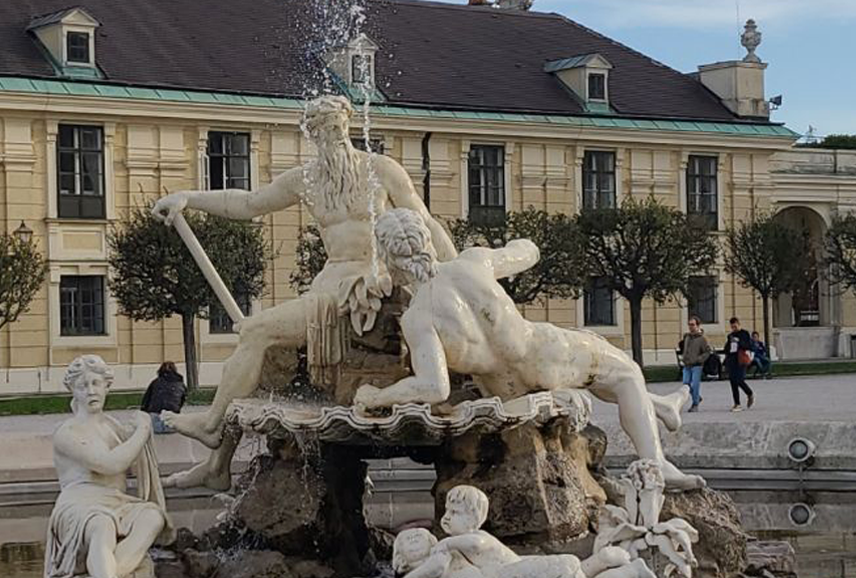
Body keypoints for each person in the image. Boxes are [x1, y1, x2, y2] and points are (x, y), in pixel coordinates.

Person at [151, 94, 457, 490]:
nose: (332, 136)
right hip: (329, 287)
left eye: (337, 128)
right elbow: (247, 202)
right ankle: (218, 463)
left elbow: (425, 221)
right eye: (321, 130)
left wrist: (455, 274)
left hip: (372, 288)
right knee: (260, 354)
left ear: (348, 126)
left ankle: (213, 428)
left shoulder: (381, 170)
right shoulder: (306, 180)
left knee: (256, 332)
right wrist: (190, 198)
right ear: (311, 134)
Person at [354, 209, 704, 490]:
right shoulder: (472, 262)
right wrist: (520, 242)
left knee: (597, 361)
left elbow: (434, 387)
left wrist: (376, 396)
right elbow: (528, 251)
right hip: (542, 354)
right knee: (626, 374)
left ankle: (664, 409)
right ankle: (655, 458)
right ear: (427, 241)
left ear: (389, 258)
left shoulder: (418, 319)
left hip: (506, 390)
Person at [34, 355, 168, 578]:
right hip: (80, 503)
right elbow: (110, 464)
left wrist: (135, 435)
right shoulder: (67, 431)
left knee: (153, 517)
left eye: (97, 383)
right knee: (101, 525)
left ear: (107, 386)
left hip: (117, 501)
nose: (91, 391)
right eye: (83, 386)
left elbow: (134, 461)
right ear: (72, 390)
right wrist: (141, 432)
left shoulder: (112, 426)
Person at [140, 361, 186, 434]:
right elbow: (182, 400)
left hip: (155, 413)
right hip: (172, 415)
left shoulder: (155, 382)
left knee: (153, 428)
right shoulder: (180, 384)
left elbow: (146, 399)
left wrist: (144, 412)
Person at [678, 316, 712, 412]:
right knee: (686, 384)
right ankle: (697, 397)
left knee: (695, 385)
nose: (691, 327)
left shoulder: (702, 339)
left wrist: (699, 359)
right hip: (687, 364)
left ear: (697, 325)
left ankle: (695, 404)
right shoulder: (687, 337)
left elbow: (707, 352)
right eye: (689, 324)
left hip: (697, 365)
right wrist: (684, 357)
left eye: (692, 324)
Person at [723, 317, 754, 411]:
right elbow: (727, 348)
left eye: (735, 326)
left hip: (741, 359)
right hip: (732, 359)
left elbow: (748, 346)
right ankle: (737, 403)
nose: (734, 328)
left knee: (739, 379)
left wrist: (739, 342)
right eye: (732, 327)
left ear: (739, 324)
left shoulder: (744, 334)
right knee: (733, 381)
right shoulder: (730, 335)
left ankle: (749, 393)